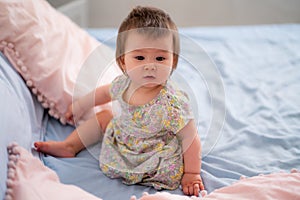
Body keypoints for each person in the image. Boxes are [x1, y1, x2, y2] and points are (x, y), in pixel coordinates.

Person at [34, 6, 204, 196]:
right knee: (104, 115)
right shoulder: (124, 84)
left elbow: (191, 138)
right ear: (123, 62)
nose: (150, 66)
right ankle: (70, 146)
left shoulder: (171, 105)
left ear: (173, 61)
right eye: (139, 57)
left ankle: (74, 147)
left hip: (153, 154)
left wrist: (192, 173)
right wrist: (81, 105)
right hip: (125, 141)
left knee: (108, 116)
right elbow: (104, 93)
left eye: (160, 58)